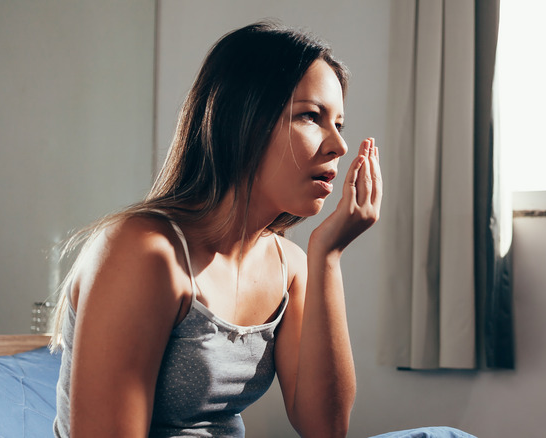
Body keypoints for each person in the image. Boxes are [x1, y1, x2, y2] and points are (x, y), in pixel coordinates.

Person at [49, 21, 381, 438]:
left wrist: (328, 255)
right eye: (311, 116)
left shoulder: (291, 267)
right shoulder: (145, 253)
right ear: (243, 120)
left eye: (340, 124)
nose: (339, 145)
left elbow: (326, 429)